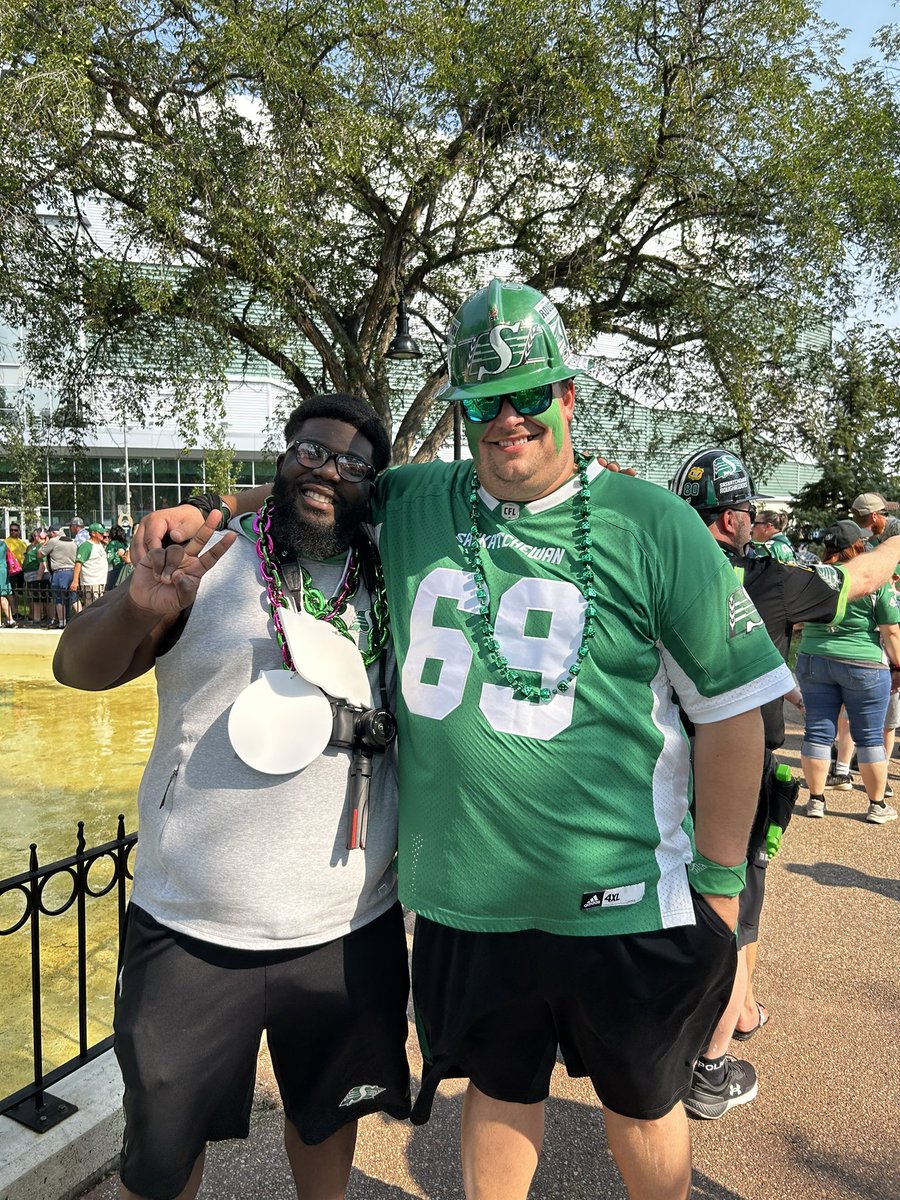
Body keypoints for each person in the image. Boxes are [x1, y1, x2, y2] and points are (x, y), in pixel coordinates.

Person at [139, 280, 796, 1200]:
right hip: (466, 901)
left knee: (644, 1107)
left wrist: (722, 896)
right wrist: (206, 510)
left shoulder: (657, 524)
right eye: (485, 402)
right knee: (498, 1090)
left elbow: (731, 715)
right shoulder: (415, 499)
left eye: (529, 395)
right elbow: (317, 480)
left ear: (568, 396)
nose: (508, 419)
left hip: (624, 897)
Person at [53, 394, 411, 1200]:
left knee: (327, 1118)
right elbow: (77, 666)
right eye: (312, 452)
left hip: (347, 926)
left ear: (375, 486)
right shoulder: (207, 559)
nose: (329, 472)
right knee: (164, 1148)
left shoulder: (390, 569)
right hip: (191, 927)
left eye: (355, 464)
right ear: (281, 457)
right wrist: (137, 606)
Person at [670, 448, 900, 1117]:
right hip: (735, 772)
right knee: (734, 912)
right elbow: (864, 575)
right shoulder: (769, 578)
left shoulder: (655, 567)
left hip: (654, 766)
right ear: (740, 515)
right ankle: (709, 1068)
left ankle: (734, 1013)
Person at [797, 519, 900, 824]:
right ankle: (876, 804)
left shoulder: (811, 576)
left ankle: (816, 800)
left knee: (817, 729)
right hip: (864, 664)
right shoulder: (872, 577)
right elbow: (891, 630)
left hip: (814, 658)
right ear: (859, 546)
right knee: (869, 737)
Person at [39, 523, 78, 628]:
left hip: (59, 573)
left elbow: (40, 554)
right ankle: (81, 618)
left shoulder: (53, 541)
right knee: (74, 598)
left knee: (58, 598)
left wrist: (46, 542)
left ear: (53, 533)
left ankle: (62, 622)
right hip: (72, 572)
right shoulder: (72, 541)